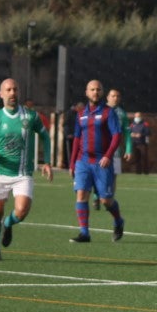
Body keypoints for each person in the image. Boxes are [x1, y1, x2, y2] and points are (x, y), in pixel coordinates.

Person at [0, 78, 53, 261]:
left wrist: (47, 162)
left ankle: (8, 225)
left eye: (15, 89)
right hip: (0, 171)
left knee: (22, 210)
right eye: (8, 90)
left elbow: (45, 137)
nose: (12, 93)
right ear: (1, 94)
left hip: (23, 173)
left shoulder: (31, 116)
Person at [69, 80, 125, 243]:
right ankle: (84, 233)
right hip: (83, 161)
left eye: (98, 89)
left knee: (105, 200)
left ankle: (118, 221)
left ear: (102, 92)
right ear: (86, 92)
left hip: (102, 162)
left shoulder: (109, 112)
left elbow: (117, 135)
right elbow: (77, 139)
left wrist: (108, 155)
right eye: (92, 89)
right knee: (81, 194)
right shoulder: (80, 114)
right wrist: (72, 163)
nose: (95, 92)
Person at [93, 88, 132, 209]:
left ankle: (109, 199)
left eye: (118, 96)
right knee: (97, 174)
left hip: (115, 152)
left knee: (113, 176)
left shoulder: (122, 114)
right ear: (107, 97)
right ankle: (96, 197)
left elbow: (127, 133)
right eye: (113, 96)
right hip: (100, 150)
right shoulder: (100, 110)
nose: (115, 98)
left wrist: (128, 149)